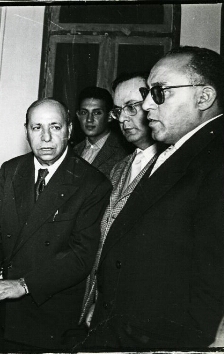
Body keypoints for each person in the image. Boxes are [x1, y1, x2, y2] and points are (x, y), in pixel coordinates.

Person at [0, 98, 111, 351]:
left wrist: (25, 285)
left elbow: (81, 255)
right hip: (1, 305)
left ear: (70, 130)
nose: (46, 137)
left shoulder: (92, 183)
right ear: (26, 131)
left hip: (48, 308)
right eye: (37, 127)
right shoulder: (11, 170)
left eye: (55, 127)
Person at [82, 46, 224, 349]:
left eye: (159, 92)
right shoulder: (181, 150)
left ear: (204, 97)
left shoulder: (216, 158)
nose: (147, 104)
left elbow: (210, 284)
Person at [79, 72, 163, 328]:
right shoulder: (120, 168)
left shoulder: (168, 166)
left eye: (131, 107)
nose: (123, 119)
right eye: (118, 111)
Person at [74, 86, 133, 177]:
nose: (89, 119)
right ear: (78, 116)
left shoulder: (123, 151)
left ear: (110, 116)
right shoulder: (74, 151)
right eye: (84, 112)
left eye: (97, 113)